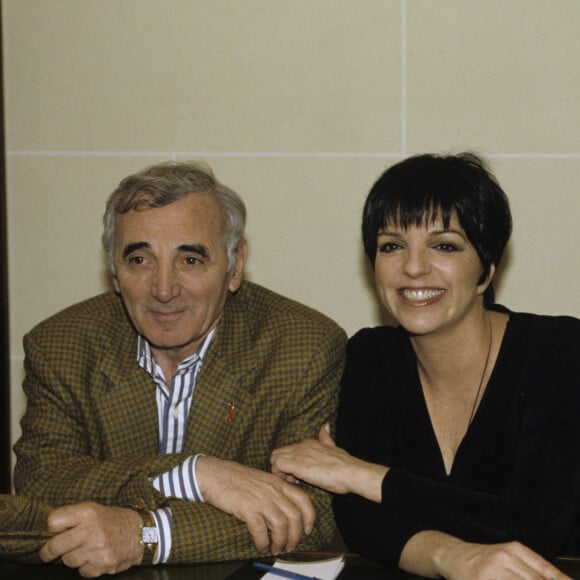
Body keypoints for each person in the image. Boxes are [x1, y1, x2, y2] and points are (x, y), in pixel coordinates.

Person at [13, 161, 346, 577]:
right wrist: (194, 473)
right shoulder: (61, 347)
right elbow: (39, 488)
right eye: (139, 259)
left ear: (235, 265)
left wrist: (146, 534)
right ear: (114, 271)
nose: (164, 288)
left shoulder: (303, 347)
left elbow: (311, 517)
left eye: (190, 259)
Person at [271, 153, 580, 580]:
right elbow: (361, 520)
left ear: (486, 270)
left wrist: (360, 473)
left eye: (444, 245)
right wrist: (449, 557)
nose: (413, 267)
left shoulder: (560, 350)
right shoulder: (371, 355)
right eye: (392, 246)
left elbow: (531, 524)